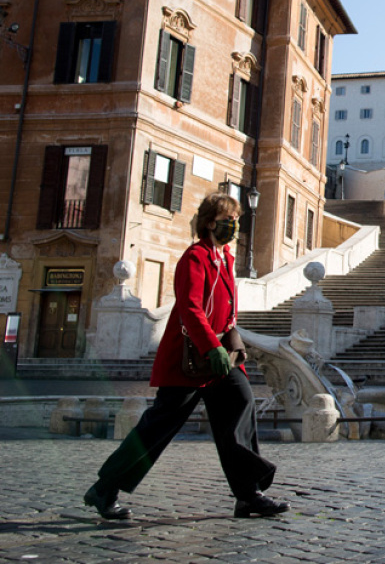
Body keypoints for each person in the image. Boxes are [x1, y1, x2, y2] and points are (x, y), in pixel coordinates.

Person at [83, 193, 289, 520]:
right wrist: (212, 347)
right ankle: (105, 487)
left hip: (220, 356)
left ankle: (249, 493)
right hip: (191, 359)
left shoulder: (225, 258)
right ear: (209, 223)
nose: (233, 225)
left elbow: (225, 310)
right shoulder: (194, 258)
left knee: (241, 403)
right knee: (158, 427)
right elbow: (191, 309)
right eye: (227, 219)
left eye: (235, 219)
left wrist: (229, 344)